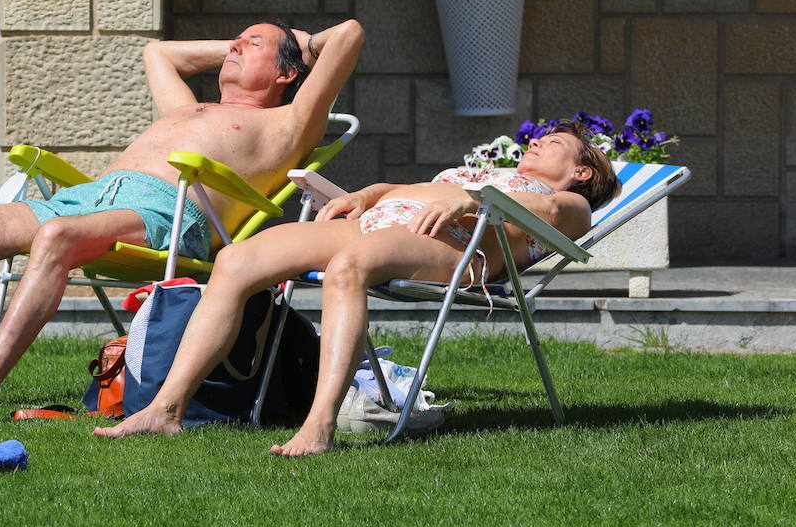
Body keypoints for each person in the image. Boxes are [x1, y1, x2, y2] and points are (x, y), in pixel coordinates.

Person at [0, 18, 365, 427]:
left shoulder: (290, 122)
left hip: (168, 212)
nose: (235, 46)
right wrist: (245, 46)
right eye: (234, 41)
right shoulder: (185, 107)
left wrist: (302, 43)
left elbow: (349, 35)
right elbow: (159, 53)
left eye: (254, 43)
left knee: (55, 237)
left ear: (289, 72)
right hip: (94, 196)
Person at [96, 120, 619, 456]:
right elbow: (411, 189)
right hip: (384, 221)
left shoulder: (568, 202)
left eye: (552, 143)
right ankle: (165, 410)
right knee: (236, 259)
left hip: (459, 245)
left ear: (580, 170)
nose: (535, 142)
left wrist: (467, 198)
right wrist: (368, 193)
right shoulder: (486, 171)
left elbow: (548, 214)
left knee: (348, 266)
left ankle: (318, 425)